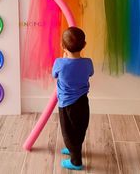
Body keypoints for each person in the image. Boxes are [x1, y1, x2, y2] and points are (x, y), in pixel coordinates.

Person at [52, 26, 94, 171]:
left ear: (62, 46)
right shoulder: (88, 62)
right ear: (84, 45)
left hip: (66, 105)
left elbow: (54, 75)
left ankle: (76, 161)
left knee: (68, 132)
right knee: (79, 128)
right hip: (83, 102)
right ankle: (73, 148)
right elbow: (90, 74)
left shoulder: (59, 63)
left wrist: (64, 60)